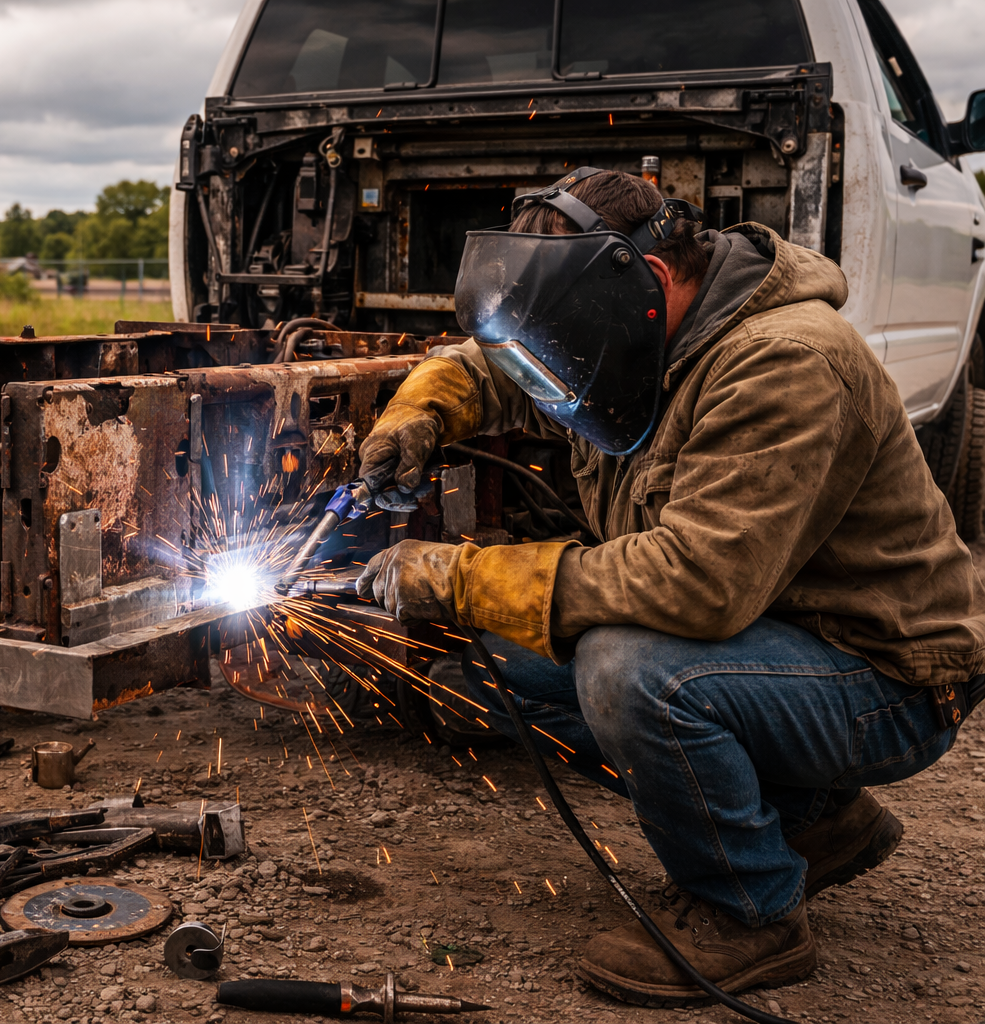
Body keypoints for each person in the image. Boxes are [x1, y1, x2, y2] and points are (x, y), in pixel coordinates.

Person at [353, 168, 985, 1005]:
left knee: (626, 669)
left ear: (647, 278)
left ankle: (749, 914)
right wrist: (423, 410)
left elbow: (698, 585)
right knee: (497, 663)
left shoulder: (785, 362)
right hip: (766, 641)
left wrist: (461, 575)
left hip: (880, 676)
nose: (552, 363)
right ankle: (815, 821)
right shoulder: (634, 329)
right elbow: (502, 361)